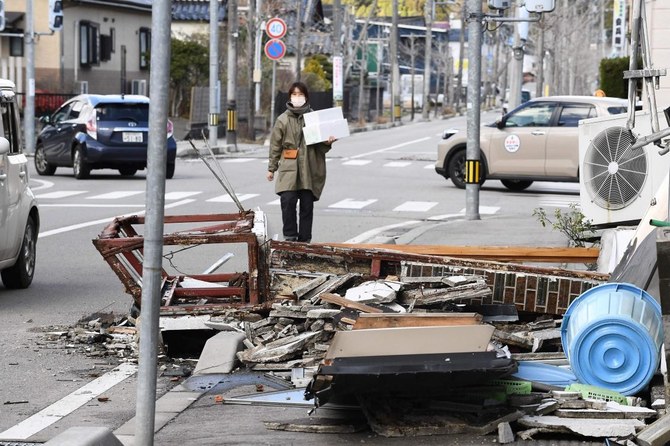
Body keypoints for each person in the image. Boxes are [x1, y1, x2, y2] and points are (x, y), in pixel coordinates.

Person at [266, 82, 336, 243]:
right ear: (290, 97)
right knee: (288, 201)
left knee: (307, 205)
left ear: (306, 97)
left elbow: (321, 145)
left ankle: (305, 241)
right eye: (294, 94)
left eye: (300, 94)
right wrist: (271, 169)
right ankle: (290, 237)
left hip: (309, 168)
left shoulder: (314, 118)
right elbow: (275, 146)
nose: (297, 98)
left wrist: (328, 141)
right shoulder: (282, 120)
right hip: (289, 168)